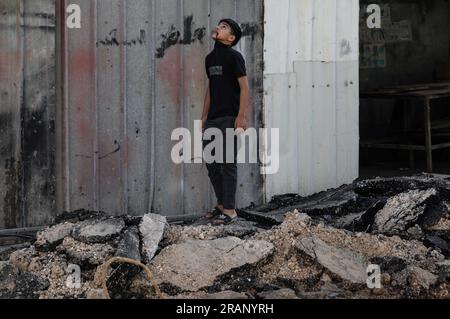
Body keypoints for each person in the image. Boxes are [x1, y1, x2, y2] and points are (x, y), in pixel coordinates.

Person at [200, 18, 250, 225]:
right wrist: (203, 117)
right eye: (219, 25)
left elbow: (245, 88)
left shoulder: (234, 57)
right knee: (211, 163)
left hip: (230, 118)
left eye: (224, 27)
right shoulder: (210, 58)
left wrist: (241, 117)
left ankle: (229, 210)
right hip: (213, 118)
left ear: (231, 38)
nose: (219, 28)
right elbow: (210, 89)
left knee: (228, 163)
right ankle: (221, 204)